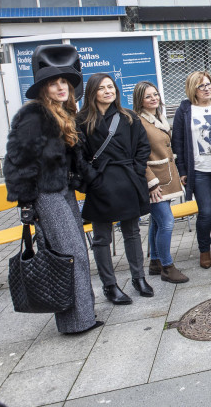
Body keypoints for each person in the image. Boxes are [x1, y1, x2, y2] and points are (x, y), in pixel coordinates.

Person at [3, 44, 101, 334]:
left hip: (63, 192)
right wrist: (25, 203)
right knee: (71, 254)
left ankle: (82, 316)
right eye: (54, 83)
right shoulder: (33, 115)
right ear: (43, 88)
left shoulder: (61, 113)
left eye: (66, 83)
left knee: (75, 253)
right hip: (45, 196)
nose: (61, 87)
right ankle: (76, 321)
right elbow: (18, 162)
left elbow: (72, 159)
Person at [77, 73, 152, 305]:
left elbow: (142, 145)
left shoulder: (127, 117)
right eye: (102, 88)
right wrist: (93, 178)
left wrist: (138, 171)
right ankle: (109, 285)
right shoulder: (81, 120)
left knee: (132, 232)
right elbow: (77, 156)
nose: (108, 91)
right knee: (101, 238)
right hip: (100, 184)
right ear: (92, 92)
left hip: (127, 180)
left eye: (111, 87)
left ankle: (138, 278)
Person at [171, 71, 211, 269]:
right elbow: (177, 142)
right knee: (206, 211)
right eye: (201, 86)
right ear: (193, 90)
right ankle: (204, 249)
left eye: (209, 85)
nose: (207, 89)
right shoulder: (185, 110)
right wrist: (182, 170)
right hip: (199, 170)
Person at [132, 81, 188, 284]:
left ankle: (155, 261)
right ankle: (167, 266)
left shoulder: (157, 118)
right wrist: (151, 183)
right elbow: (136, 156)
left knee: (157, 222)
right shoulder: (138, 122)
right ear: (140, 100)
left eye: (155, 94)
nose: (154, 98)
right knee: (166, 222)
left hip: (166, 177)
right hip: (154, 182)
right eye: (148, 96)